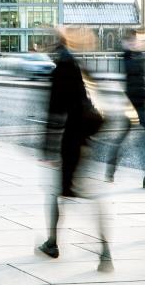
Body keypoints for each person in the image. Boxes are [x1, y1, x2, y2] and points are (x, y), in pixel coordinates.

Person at [39, 28, 112, 272]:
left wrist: (47, 148)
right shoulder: (77, 62)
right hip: (85, 139)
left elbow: (54, 110)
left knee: (59, 193)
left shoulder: (62, 66)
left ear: (55, 43)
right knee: (83, 194)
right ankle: (103, 252)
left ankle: (54, 244)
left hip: (71, 140)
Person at [105, 30, 145, 189]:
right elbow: (131, 68)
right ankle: (111, 166)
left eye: (135, 41)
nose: (134, 43)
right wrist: (132, 50)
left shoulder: (139, 56)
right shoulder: (127, 57)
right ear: (126, 43)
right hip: (131, 106)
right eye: (131, 41)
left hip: (142, 104)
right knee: (125, 140)